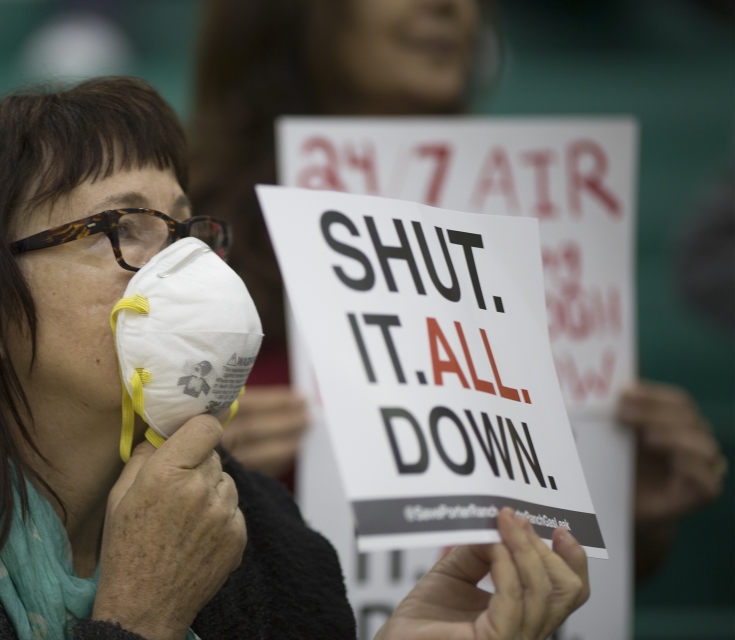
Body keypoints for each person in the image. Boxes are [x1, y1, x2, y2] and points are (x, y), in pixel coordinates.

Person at [0, 77, 589, 640]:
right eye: (122, 226)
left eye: (181, 227)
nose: (179, 265)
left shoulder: (266, 533)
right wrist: (134, 634)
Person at [189, 0, 727, 572]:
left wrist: (626, 514)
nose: (450, 8)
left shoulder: (545, 230)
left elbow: (571, 600)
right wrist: (193, 475)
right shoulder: (188, 239)